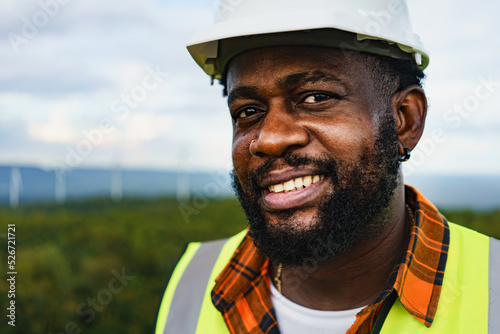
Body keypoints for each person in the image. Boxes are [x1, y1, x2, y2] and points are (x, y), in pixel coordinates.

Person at [155, 0, 499, 333]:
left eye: (317, 98)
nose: (270, 139)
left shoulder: (492, 292)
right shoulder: (193, 280)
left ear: (404, 120)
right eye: (248, 111)